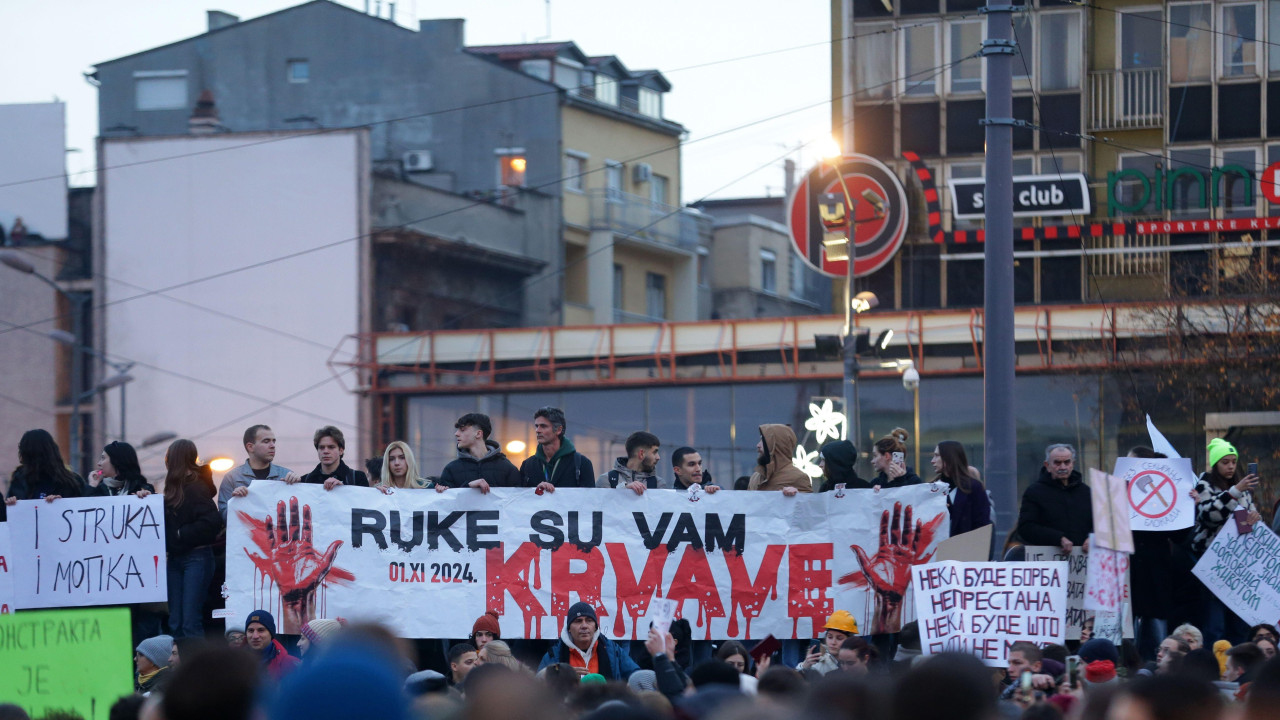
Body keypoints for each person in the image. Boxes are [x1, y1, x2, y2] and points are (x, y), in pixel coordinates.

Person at [1191, 438, 1259, 644]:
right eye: (1225, 462)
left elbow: (1249, 519)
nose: (1230, 466)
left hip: (1238, 566)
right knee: (1215, 624)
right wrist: (1235, 491)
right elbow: (1208, 514)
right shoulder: (1204, 484)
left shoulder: (1243, 488)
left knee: (1239, 624)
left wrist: (1255, 518)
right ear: (1215, 464)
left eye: (1233, 461)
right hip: (1214, 565)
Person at [158, 439, 222, 639]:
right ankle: (182, 666)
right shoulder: (176, 487)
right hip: (178, 559)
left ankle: (196, 668)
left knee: (188, 622)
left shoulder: (195, 487)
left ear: (174, 459)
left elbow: (212, 521)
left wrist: (180, 534)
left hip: (196, 557)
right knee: (177, 622)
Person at [1015, 443, 1093, 553]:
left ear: (1073, 464)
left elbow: (1101, 525)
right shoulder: (1034, 492)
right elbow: (1026, 528)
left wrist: (1093, 538)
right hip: (1048, 560)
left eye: (1067, 462)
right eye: (1057, 463)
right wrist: (1058, 538)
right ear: (1047, 465)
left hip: (1083, 561)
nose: (1063, 467)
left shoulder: (1086, 492)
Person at [537, 602, 639, 681]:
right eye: (578, 621)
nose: (584, 626)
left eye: (589, 620)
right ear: (569, 628)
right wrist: (562, 676)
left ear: (595, 627)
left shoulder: (613, 650)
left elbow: (637, 676)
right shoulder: (554, 654)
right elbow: (537, 684)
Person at [2, 428, 88, 521]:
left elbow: (84, 513)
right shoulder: (19, 479)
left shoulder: (72, 482)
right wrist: (11, 506)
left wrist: (62, 504)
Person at [219, 424, 301, 519]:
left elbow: (299, 514)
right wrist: (236, 502)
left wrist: (298, 487)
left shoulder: (286, 475)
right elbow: (223, 517)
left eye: (273, 441)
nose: (272, 446)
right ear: (250, 447)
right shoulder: (232, 478)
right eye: (266, 441)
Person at [439, 413, 521, 492]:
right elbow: (448, 503)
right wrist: (469, 487)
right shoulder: (451, 469)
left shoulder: (507, 468)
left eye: (462, 430)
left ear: (478, 434)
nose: (456, 434)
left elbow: (517, 500)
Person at [519, 407, 595, 491]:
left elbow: (589, 500)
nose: (538, 430)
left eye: (543, 426)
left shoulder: (581, 463)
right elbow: (520, 498)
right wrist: (536, 490)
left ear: (559, 430)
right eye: (536, 426)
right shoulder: (527, 465)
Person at [931, 440, 991, 536]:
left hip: (966, 547)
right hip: (936, 548)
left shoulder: (974, 488)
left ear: (949, 457)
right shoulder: (932, 488)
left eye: (937, 455)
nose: (932, 461)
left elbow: (982, 524)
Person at [747, 424, 812, 495]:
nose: (758, 445)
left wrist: (798, 495)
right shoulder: (755, 478)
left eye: (763, 441)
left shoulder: (799, 478)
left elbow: (808, 505)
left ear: (778, 445)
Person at [301, 426, 369, 489]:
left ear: (341, 451)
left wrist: (343, 489)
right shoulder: (305, 480)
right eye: (321, 447)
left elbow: (366, 501)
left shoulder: (358, 478)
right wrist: (292, 482)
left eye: (331, 447)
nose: (326, 451)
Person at [597, 431, 663, 494]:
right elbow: (602, 504)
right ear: (641, 454)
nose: (658, 457)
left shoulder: (658, 484)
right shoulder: (606, 480)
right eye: (654, 452)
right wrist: (624, 490)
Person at [798, 610, 859, 677]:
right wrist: (805, 667)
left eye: (839, 638)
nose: (833, 642)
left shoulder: (859, 660)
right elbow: (794, 682)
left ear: (850, 639)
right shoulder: (817, 661)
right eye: (830, 637)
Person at [245, 610, 301, 681]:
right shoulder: (235, 663)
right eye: (250, 631)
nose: (255, 636)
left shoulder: (291, 664)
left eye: (261, 630)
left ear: (271, 633)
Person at [88, 441, 155, 496]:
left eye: (103, 458)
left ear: (116, 461)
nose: (99, 464)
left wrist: (146, 496)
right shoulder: (98, 489)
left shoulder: (142, 488)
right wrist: (92, 485)